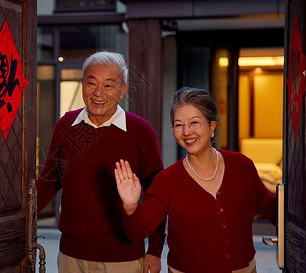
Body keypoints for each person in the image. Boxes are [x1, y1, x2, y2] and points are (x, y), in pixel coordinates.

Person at [114, 87, 277, 273]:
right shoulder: (166, 181)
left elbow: (271, 209)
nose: (186, 132)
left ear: (212, 126)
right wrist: (130, 207)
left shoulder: (242, 166)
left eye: (194, 122)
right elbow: (137, 232)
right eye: (178, 125)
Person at [36, 51, 166, 273]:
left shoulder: (141, 131)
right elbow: (49, 182)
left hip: (123, 258)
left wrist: (154, 250)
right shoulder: (66, 125)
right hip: (71, 257)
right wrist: (18, 221)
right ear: (82, 84)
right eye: (92, 83)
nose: (98, 92)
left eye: (109, 85)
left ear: (123, 90)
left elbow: (157, 195)